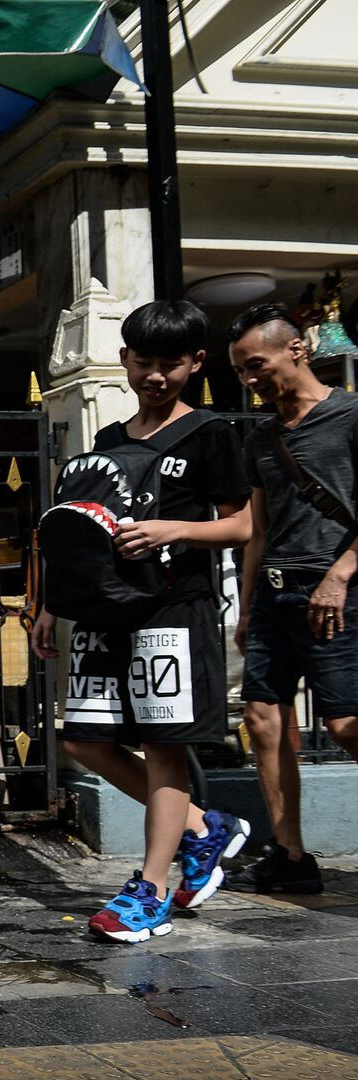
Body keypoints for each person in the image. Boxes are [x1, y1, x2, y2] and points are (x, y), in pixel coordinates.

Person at [29, 300, 253, 942]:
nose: (156, 376)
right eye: (145, 362)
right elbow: (80, 534)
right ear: (125, 360)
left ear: (195, 364)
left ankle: (150, 890)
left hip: (173, 610)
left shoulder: (211, 433)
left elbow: (241, 523)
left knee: (162, 747)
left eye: (171, 364)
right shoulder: (107, 443)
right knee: (84, 741)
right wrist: (51, 605)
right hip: (103, 609)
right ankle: (204, 830)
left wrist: (171, 528)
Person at [230, 302, 358, 894]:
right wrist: (248, 604)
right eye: (241, 371)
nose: (251, 379)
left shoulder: (351, 414)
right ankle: (290, 856)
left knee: (346, 724)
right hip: (276, 594)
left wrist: (341, 573)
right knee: (263, 719)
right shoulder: (261, 436)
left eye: (257, 364)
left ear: (296, 350)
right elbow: (258, 528)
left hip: (335, 590)